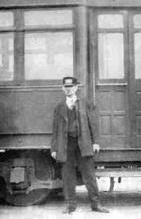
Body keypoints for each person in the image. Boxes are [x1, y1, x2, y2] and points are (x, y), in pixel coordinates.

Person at [51, 76, 109, 214]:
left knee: (89, 175)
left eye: (71, 87)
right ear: (62, 88)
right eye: (66, 87)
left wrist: (95, 142)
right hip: (66, 145)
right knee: (67, 176)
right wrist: (54, 148)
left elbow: (93, 124)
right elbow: (55, 130)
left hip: (84, 143)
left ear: (76, 88)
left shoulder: (85, 103)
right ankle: (70, 206)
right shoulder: (59, 107)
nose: (68, 89)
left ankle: (96, 205)